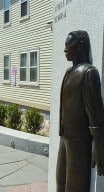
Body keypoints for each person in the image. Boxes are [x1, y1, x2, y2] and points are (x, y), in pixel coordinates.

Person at [56, 30, 104, 192]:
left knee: (75, 187)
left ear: (80, 46)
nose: (65, 50)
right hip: (65, 137)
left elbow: (95, 112)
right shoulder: (69, 72)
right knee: (60, 182)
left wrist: (98, 144)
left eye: (68, 45)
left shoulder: (89, 73)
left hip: (79, 141)